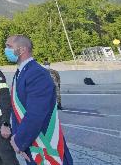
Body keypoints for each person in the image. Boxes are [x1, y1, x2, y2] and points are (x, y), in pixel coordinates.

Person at [5, 35, 73, 164]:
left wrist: (19, 141)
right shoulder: (22, 71)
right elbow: (18, 109)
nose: (6, 50)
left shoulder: (36, 73)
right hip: (31, 143)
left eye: (9, 46)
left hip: (43, 143)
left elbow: (36, 114)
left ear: (22, 49)